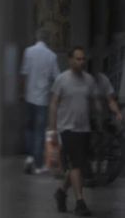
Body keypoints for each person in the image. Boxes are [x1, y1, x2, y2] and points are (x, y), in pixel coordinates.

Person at [49, 47, 123, 216]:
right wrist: (53, 128)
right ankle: (80, 202)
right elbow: (54, 104)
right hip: (67, 128)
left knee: (78, 164)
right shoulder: (62, 79)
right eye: (78, 59)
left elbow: (99, 101)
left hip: (84, 129)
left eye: (83, 59)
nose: (81, 62)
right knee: (77, 165)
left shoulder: (89, 80)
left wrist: (114, 112)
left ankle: (61, 192)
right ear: (70, 60)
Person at [20, 28, 60, 174]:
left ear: (37, 38)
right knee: (39, 131)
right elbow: (57, 78)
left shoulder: (28, 52)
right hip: (42, 99)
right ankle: (38, 164)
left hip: (29, 97)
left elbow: (24, 74)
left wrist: (22, 93)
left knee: (29, 128)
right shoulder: (52, 56)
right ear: (47, 39)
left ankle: (29, 157)